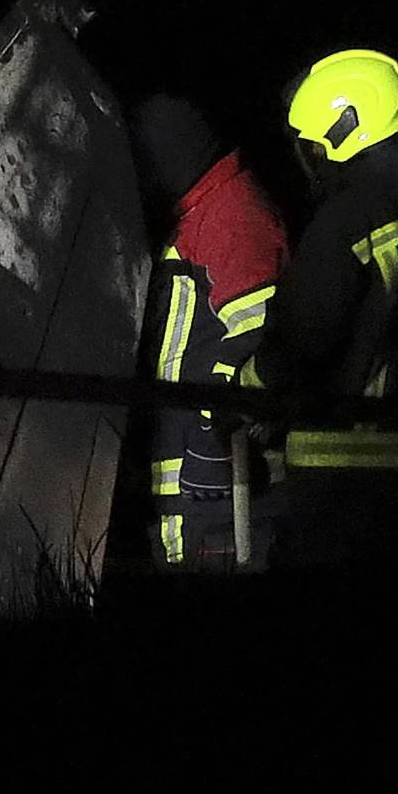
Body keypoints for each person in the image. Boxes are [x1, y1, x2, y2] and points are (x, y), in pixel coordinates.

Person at [240, 49, 398, 573]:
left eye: (312, 146)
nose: (309, 160)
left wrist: (246, 389)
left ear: (345, 130)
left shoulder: (348, 219)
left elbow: (302, 336)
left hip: (343, 480)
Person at [129, 94, 288, 572]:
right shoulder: (200, 212)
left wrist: (213, 430)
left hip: (223, 482)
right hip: (195, 480)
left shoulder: (232, 215)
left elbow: (259, 333)